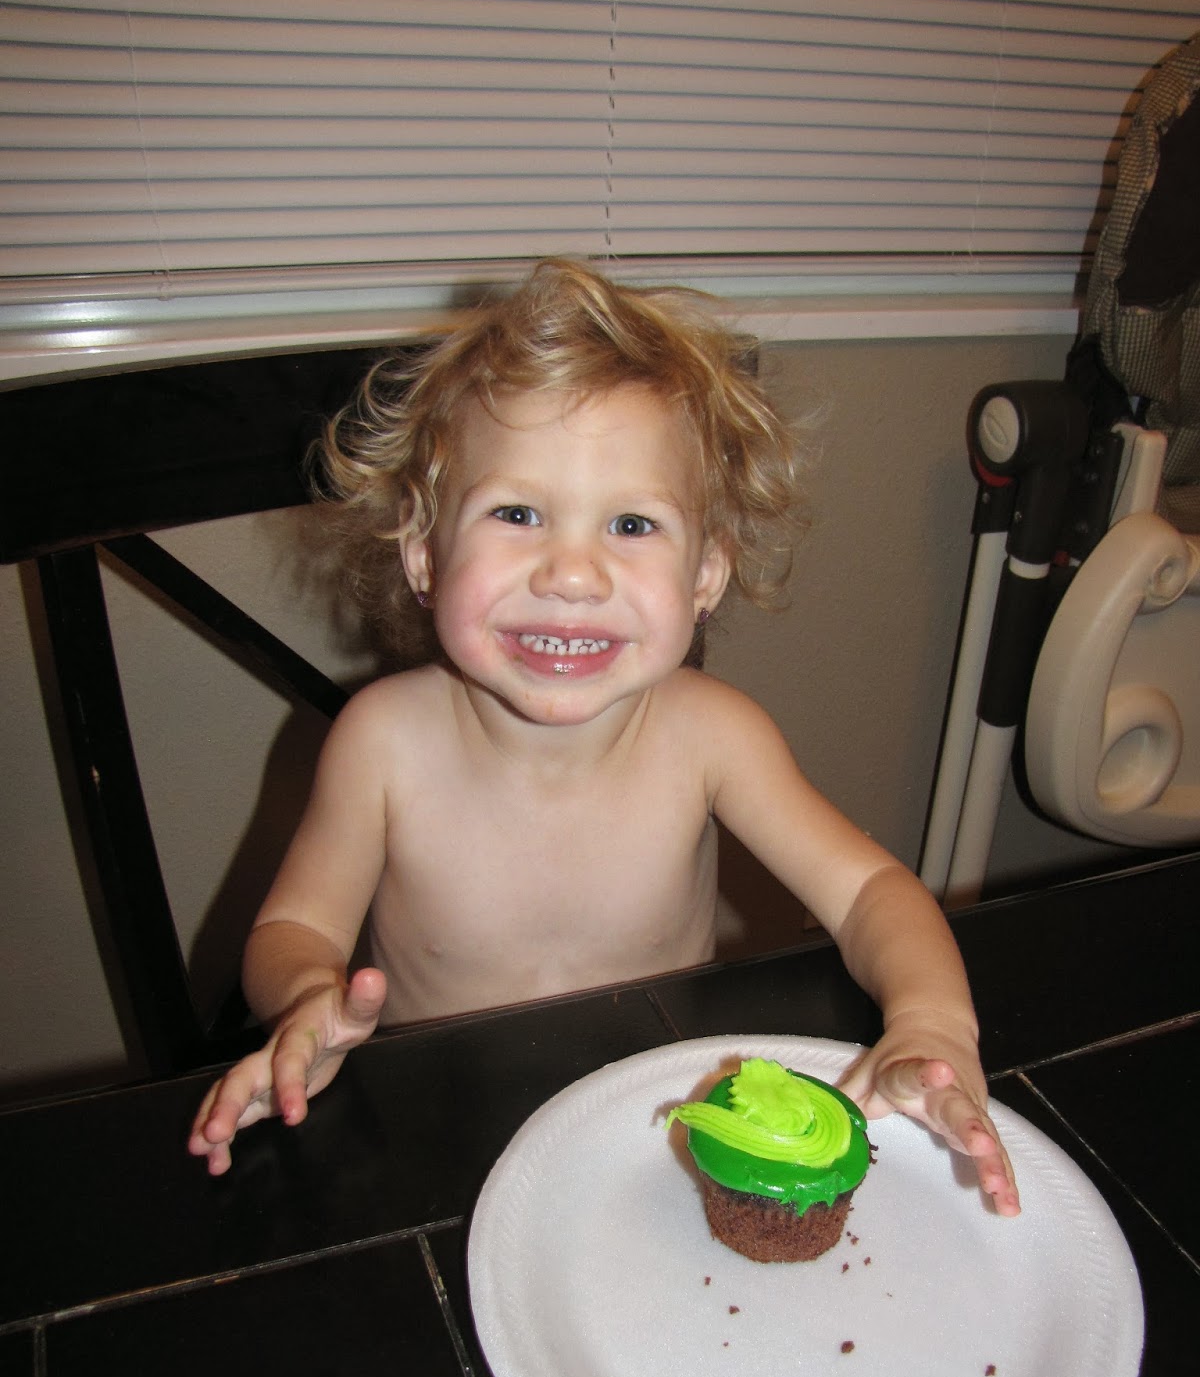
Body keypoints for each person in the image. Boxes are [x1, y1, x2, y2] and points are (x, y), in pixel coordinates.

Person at [188, 258, 1020, 1217]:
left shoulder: (715, 737)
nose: (572, 574)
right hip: (438, 1145)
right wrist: (307, 1004)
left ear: (705, 575)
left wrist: (932, 1022)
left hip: (652, 1145)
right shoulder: (382, 744)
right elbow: (294, 930)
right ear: (424, 552)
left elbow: (872, 892)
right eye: (516, 513)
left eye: (631, 523)